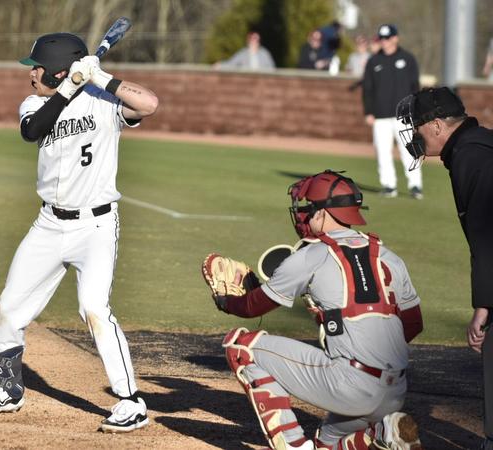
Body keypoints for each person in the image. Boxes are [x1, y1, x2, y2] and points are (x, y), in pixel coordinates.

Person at [0, 32, 159, 433]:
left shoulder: (105, 102)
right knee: (9, 305)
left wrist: (99, 78)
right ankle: (8, 388)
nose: (30, 74)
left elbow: (149, 104)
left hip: (96, 226)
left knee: (94, 309)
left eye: (36, 67)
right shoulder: (36, 102)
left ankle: (131, 401)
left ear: (55, 69)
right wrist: (69, 86)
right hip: (49, 224)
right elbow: (32, 130)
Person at [204, 170, 423, 450]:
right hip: (395, 392)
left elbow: (251, 307)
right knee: (327, 445)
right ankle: (383, 432)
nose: (304, 215)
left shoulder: (312, 254)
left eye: (309, 208)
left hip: (350, 384)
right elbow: (413, 325)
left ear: (325, 212)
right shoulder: (389, 256)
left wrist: (225, 301)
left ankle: (294, 445)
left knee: (241, 347)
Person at [396, 86, 493, 450]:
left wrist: (484, 303)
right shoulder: (478, 144)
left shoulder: (470, 156)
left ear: (436, 125)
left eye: (418, 127)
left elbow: (487, 232)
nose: (415, 136)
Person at [361, 23, 422, 199]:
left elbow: (415, 87)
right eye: (382, 38)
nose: (385, 42)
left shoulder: (408, 59)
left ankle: (415, 185)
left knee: (409, 150)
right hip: (380, 116)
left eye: (388, 38)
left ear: (396, 38)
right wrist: (368, 112)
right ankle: (389, 185)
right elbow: (367, 89)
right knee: (382, 151)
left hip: (404, 116)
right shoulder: (374, 61)